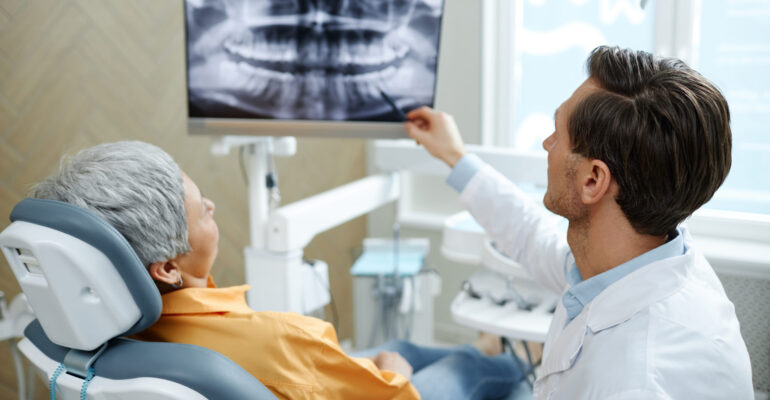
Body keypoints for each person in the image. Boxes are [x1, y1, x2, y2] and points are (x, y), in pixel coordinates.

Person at [30, 140, 525, 400]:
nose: (213, 205)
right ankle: (515, 361)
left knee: (399, 348)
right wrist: (394, 376)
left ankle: (481, 348)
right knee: (452, 368)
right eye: (200, 209)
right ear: (166, 268)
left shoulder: (85, 338)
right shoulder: (282, 339)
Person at [404, 45, 754, 399]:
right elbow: (533, 239)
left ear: (593, 180)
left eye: (557, 133)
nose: (546, 144)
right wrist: (454, 155)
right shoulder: (648, 252)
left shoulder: (638, 380)